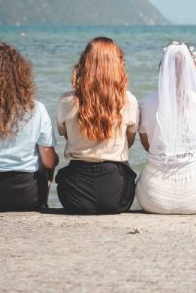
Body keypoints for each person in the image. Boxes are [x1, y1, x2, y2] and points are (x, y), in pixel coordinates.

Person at [0, 41, 57, 212]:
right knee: (46, 162)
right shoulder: (37, 109)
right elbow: (49, 162)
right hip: (28, 196)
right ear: (21, 73)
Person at [56, 37, 139, 215]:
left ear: (84, 63)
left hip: (75, 193)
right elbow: (129, 141)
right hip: (115, 192)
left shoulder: (66, 100)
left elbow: (66, 136)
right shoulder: (129, 100)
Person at [135, 42, 196, 214]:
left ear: (163, 70)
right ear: (193, 70)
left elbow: (147, 146)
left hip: (154, 196)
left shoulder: (147, 103)